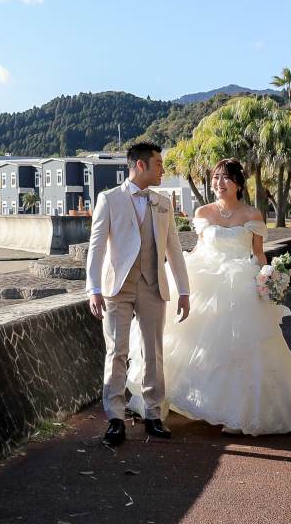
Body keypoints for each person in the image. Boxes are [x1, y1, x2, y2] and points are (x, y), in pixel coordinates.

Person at [128, 158, 291, 435]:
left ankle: (240, 412)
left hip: (240, 280)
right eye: (215, 178)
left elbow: (259, 254)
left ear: (238, 183)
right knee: (191, 342)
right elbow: (201, 249)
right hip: (207, 277)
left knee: (242, 346)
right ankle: (189, 400)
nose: (219, 183)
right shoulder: (202, 212)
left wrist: (269, 279)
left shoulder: (253, 215)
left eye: (225, 178)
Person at [86, 140, 189, 445]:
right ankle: (115, 418)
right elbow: (97, 246)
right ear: (140, 165)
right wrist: (93, 288)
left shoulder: (163, 203)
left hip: (153, 285)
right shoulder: (109, 199)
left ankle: (153, 414)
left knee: (153, 351)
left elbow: (174, 248)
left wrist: (183, 289)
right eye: (159, 163)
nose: (163, 169)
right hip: (117, 287)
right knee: (116, 351)